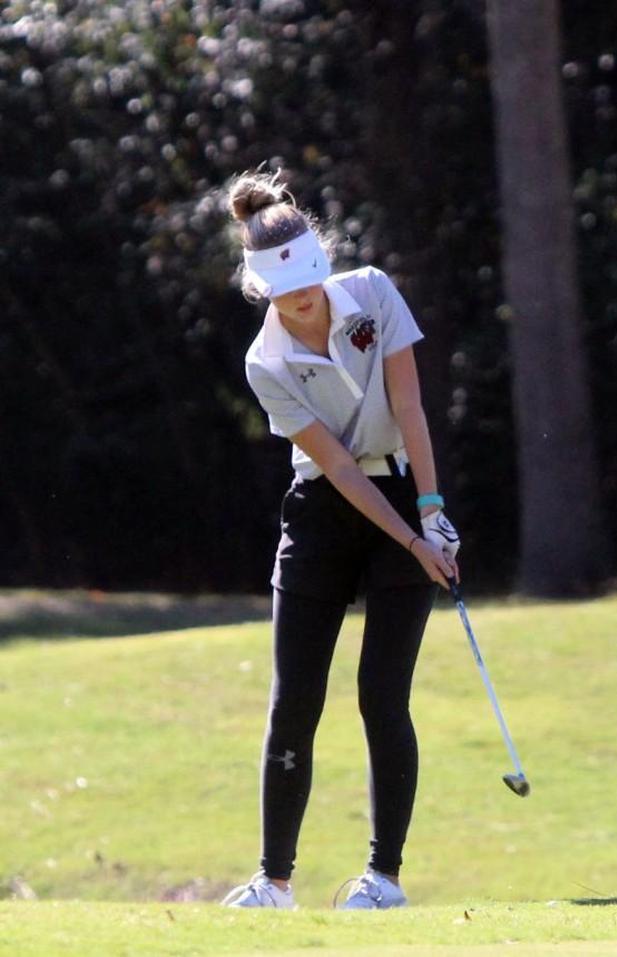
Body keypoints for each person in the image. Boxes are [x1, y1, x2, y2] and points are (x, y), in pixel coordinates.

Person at [220, 170, 460, 910]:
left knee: (381, 695)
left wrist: (431, 511)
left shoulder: (376, 293)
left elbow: (410, 404)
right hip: (324, 508)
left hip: (402, 490)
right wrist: (412, 540)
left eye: (311, 284)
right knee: (295, 696)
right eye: (287, 292)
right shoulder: (265, 362)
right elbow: (338, 473)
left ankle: (383, 878)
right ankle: (275, 879)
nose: (303, 302)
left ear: (324, 264)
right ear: (261, 287)